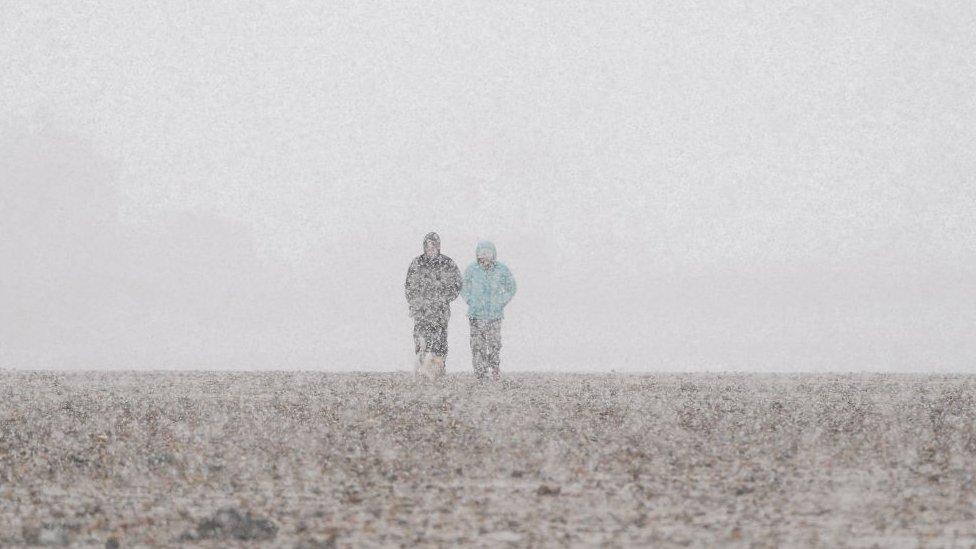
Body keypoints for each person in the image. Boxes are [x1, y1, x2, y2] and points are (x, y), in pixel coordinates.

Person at [404, 232, 462, 379]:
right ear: (424, 247)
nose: (431, 248)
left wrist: (444, 298)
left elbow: (457, 284)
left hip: (440, 313)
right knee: (421, 342)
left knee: (440, 344)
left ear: (438, 246)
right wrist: (415, 303)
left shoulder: (447, 263)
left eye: (433, 245)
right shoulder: (416, 264)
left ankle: (438, 372)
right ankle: (422, 371)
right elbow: (409, 287)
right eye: (428, 246)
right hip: (421, 313)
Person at [460, 240, 517, 380]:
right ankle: (480, 373)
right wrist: (470, 300)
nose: (484, 256)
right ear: (477, 254)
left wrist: (500, 302)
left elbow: (511, 287)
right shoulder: (472, 269)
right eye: (482, 253)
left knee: (494, 344)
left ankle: (495, 368)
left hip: (494, 315)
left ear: (493, 254)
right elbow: (463, 286)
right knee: (477, 345)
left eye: (488, 253)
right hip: (475, 315)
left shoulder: (501, 269)